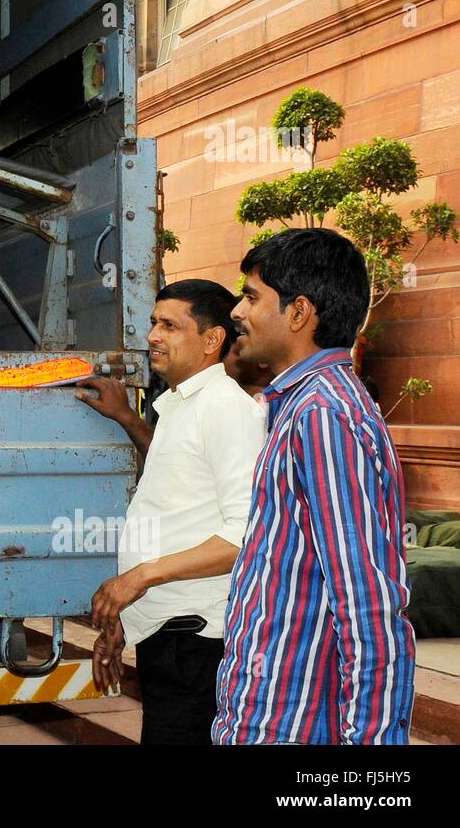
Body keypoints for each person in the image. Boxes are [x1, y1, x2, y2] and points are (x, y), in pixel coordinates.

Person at [214, 228, 416, 744]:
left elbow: (368, 606)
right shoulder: (300, 407)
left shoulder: (322, 415)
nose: (237, 311)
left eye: (252, 296)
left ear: (299, 313)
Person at [78, 280, 265, 744]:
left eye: (170, 325)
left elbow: (244, 536)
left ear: (211, 339)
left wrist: (136, 579)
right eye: (153, 323)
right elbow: (176, 512)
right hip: (171, 638)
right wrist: (124, 621)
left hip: (200, 644)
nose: (154, 336)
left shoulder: (226, 409)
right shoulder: (183, 405)